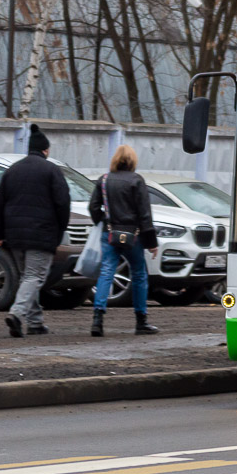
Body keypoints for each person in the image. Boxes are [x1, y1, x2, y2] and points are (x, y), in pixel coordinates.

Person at [0, 123, 71, 337]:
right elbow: (63, 204)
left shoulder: (12, 171)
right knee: (34, 277)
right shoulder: (52, 170)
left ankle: (35, 322)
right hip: (41, 234)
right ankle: (17, 314)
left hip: (15, 235)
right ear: (45, 150)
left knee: (27, 277)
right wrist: (59, 232)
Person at [88, 144, 160, 336]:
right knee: (139, 274)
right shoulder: (137, 181)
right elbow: (145, 214)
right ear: (132, 161)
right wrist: (151, 242)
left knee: (106, 271)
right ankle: (141, 320)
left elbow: (93, 207)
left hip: (110, 233)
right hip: (133, 236)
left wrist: (102, 223)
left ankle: (98, 319)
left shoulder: (103, 180)